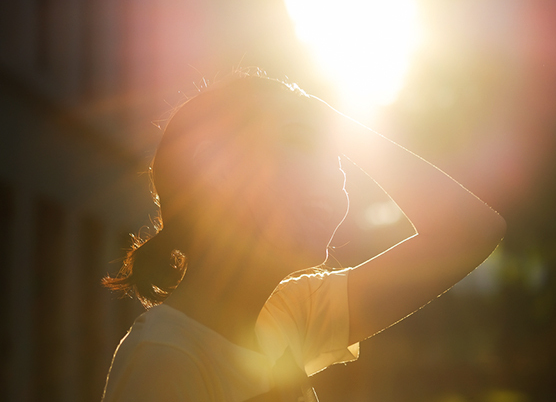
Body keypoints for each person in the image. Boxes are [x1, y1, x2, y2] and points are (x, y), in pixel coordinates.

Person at [101, 72, 505, 402]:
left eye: (336, 156)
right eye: (301, 141)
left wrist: (333, 121)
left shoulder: (288, 314)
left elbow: (471, 231)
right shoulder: (165, 359)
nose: (335, 176)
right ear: (218, 171)